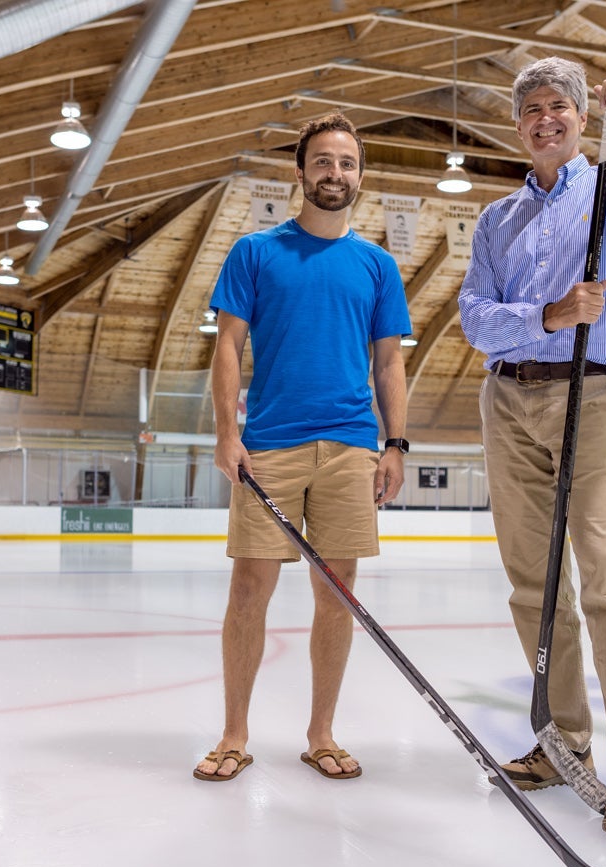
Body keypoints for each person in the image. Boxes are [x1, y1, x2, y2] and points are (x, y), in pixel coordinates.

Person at [458, 58, 606, 835]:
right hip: (508, 396)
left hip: (596, 393)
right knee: (532, 582)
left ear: (583, 119)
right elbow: (475, 319)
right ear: (518, 127)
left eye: (559, 107)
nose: (545, 119)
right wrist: (547, 316)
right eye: (531, 110)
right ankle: (561, 740)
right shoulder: (495, 219)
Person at [193, 114, 411, 783]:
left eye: (346, 163)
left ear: (360, 177)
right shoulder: (256, 253)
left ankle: (321, 732)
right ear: (300, 172)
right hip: (270, 447)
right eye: (322, 161)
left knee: (336, 594)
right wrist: (228, 432)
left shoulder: (377, 265)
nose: (334, 173)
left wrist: (395, 442)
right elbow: (227, 345)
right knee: (250, 590)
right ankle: (234, 731)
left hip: (350, 448)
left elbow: (388, 365)